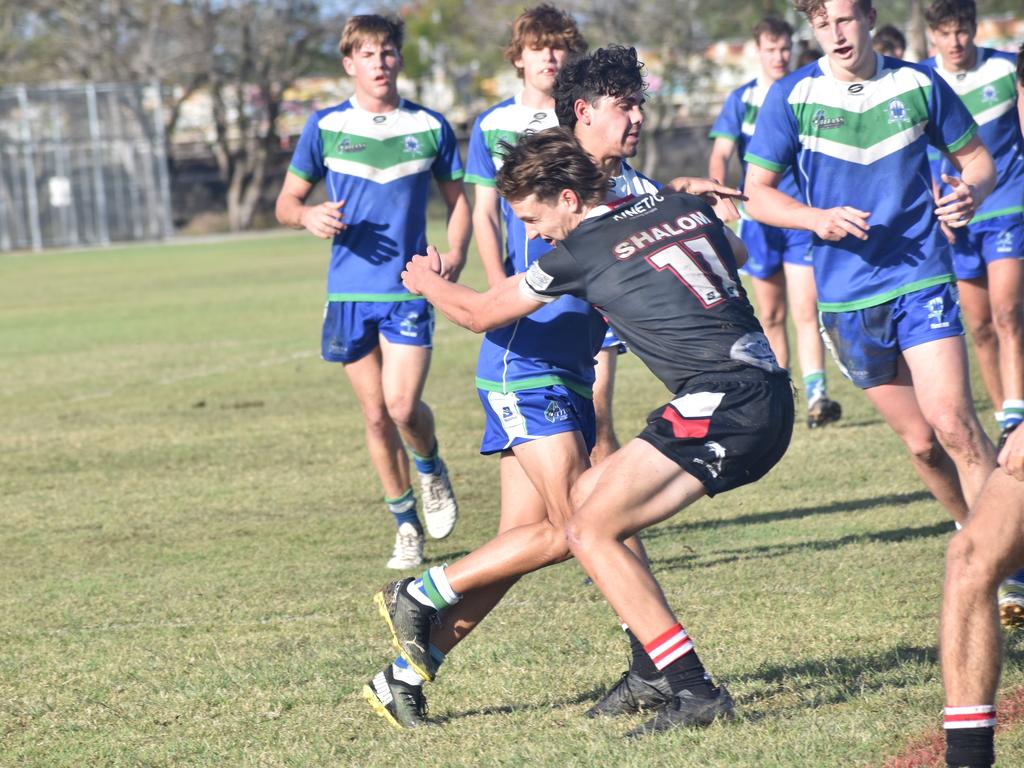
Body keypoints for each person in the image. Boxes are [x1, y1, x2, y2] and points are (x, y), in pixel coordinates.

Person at [363, 40, 743, 730]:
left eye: (639, 106)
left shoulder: (630, 182)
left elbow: (677, 233)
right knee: (582, 525)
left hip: (570, 362)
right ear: (582, 114)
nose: (635, 120)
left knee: (531, 538)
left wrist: (693, 200)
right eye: (623, 108)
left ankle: (403, 676)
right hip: (525, 363)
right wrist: (439, 281)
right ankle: (428, 594)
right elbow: (504, 254)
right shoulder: (550, 172)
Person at [743, 0, 998, 528]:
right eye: (822, 24)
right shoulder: (791, 97)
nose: (835, 34)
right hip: (846, 295)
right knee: (924, 444)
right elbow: (757, 196)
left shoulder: (919, 83)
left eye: (844, 20)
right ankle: (971, 532)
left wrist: (971, 192)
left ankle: (1005, 566)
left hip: (920, 273)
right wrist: (815, 219)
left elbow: (977, 160)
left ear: (869, 18)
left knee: (954, 422)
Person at [274, 14, 470, 570]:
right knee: (375, 415)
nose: (379, 63)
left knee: (403, 405)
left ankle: (430, 468)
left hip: (409, 286)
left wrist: (454, 254)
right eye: (366, 55)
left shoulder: (430, 126)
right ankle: (406, 524)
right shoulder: (324, 126)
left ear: (398, 61)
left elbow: (460, 202)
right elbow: (286, 204)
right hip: (348, 296)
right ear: (349, 64)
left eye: (387, 52)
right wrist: (306, 216)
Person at [921, 0, 1024, 627]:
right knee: (978, 322)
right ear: (932, 35)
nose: (956, 40)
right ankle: (999, 403)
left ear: (975, 31)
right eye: (945, 31)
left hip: (1007, 201)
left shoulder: (1007, 71)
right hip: (955, 214)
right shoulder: (923, 80)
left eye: (963, 29)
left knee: (1010, 308)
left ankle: (1016, 407)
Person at [708, 15, 842, 429]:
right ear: (758, 51)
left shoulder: (806, 90)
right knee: (770, 314)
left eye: (784, 48)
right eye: (771, 49)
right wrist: (718, 191)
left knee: (805, 307)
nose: (780, 56)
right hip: (758, 218)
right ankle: (784, 395)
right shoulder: (742, 99)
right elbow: (720, 154)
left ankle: (818, 394)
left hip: (799, 215)